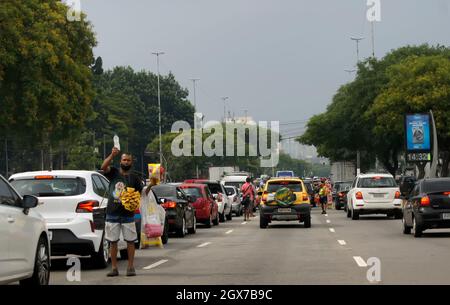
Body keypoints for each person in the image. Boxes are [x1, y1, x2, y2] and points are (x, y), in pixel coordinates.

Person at [102, 147, 143, 277]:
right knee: (112, 242)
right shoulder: (113, 173)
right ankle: (114, 268)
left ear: (131, 162)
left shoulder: (135, 178)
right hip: (112, 213)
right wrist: (112, 155)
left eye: (128, 160)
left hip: (128, 215)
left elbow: (141, 194)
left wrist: (153, 184)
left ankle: (130, 267)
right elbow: (104, 167)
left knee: (130, 242)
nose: (126, 162)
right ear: (120, 161)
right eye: (124, 159)